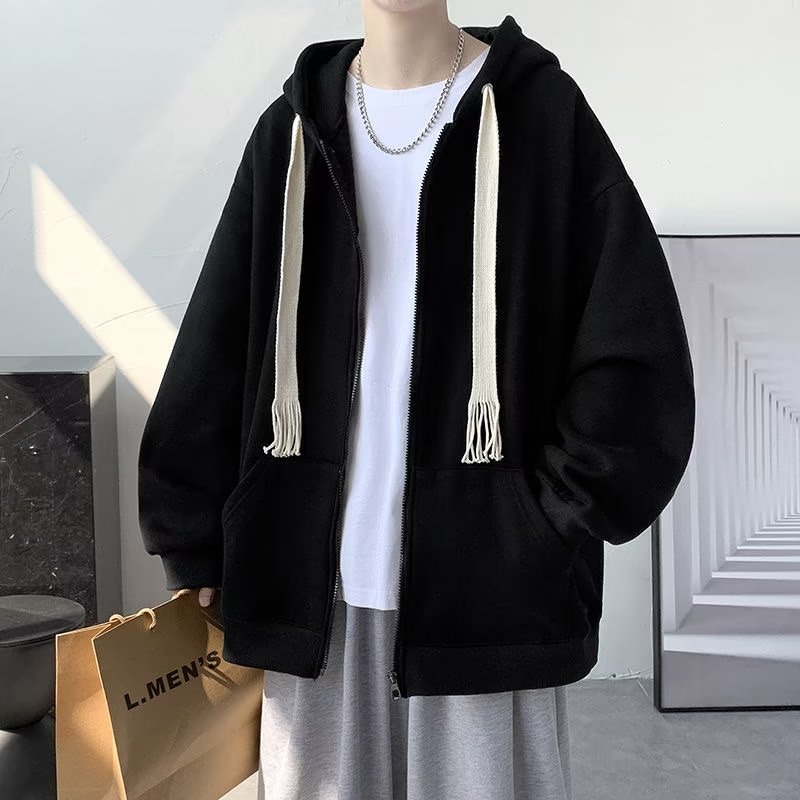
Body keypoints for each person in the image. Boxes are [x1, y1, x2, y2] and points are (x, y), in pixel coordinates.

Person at [138, 4, 695, 799]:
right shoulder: (292, 130)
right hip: (313, 586)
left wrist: (543, 519)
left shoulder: (543, 113)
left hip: (489, 588)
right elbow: (221, 339)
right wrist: (191, 530)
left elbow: (633, 345)